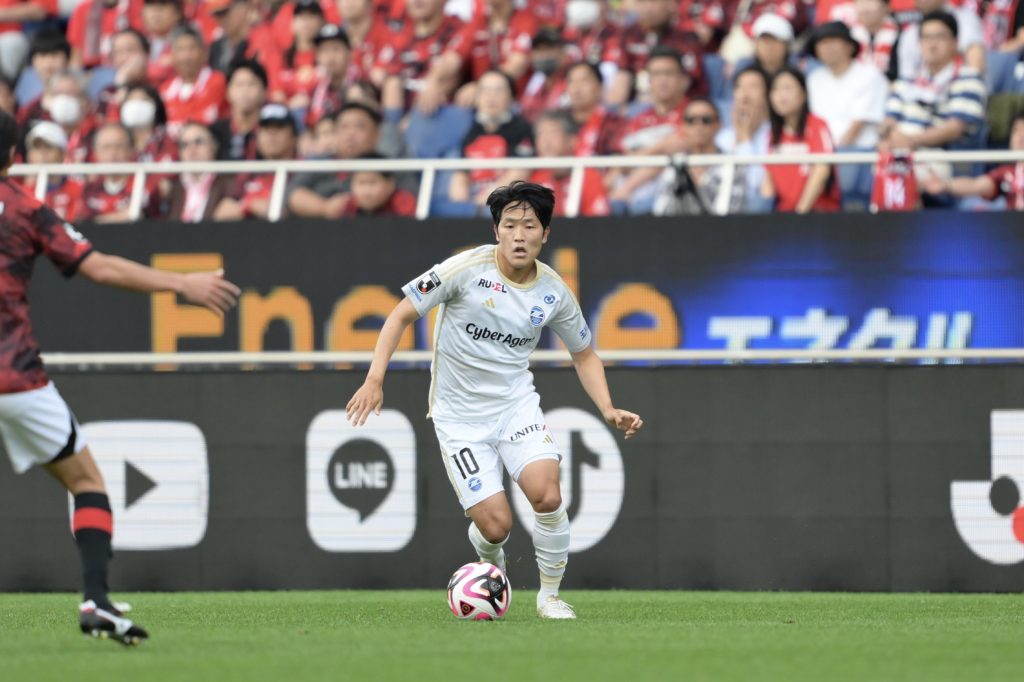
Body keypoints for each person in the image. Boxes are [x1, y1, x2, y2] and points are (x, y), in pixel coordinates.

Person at [345, 181, 643, 620]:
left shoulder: (553, 291)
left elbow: (583, 353)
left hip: (515, 407)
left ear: (546, 234)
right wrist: (375, 379)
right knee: (496, 525)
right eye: (510, 225)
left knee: (547, 495)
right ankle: (491, 565)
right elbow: (401, 313)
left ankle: (549, 597)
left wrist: (607, 408)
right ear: (496, 231)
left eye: (530, 226)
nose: (519, 235)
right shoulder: (464, 269)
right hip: (458, 418)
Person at [0, 109, 240, 646]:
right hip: (15, 379)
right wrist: (182, 284)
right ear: (14, 156)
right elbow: (100, 267)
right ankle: (96, 601)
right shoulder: (25, 208)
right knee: (87, 482)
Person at [881, 11, 987, 157]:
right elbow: (889, 120)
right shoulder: (907, 80)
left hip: (938, 157)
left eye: (940, 37)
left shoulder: (969, 79)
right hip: (896, 152)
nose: (932, 44)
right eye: (926, 38)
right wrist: (892, 138)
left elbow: (955, 129)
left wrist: (911, 141)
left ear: (955, 43)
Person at [447, 70, 534, 214]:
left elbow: (519, 173)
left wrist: (485, 199)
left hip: (507, 202)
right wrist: (461, 202)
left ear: (511, 97)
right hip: (475, 200)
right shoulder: (470, 130)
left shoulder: (521, 128)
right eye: (485, 91)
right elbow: (461, 174)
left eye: (498, 90)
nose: (491, 97)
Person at [762, 65, 842, 213]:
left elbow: (821, 170)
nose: (781, 95)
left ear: (803, 95)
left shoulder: (817, 125)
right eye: (775, 89)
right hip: (784, 214)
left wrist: (800, 213)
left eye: (788, 88)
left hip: (818, 213)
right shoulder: (772, 134)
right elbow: (768, 181)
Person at [654, 98, 747, 216]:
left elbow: (730, 214)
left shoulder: (732, 165)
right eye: (691, 120)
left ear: (719, 125)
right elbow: (662, 211)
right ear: (683, 126)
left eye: (706, 120)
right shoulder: (674, 165)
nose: (699, 126)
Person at [920, 111, 1024, 208]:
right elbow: (977, 185)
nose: (1021, 136)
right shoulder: (1006, 173)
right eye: (1016, 130)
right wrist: (946, 185)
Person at [214, 103, 298, 221]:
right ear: (257, 138)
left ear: (294, 137)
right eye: (265, 129)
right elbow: (222, 213)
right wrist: (250, 206)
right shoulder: (249, 173)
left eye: (279, 127)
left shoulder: (303, 171)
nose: (271, 135)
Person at [528, 110, 611, 217]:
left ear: (572, 140)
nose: (545, 140)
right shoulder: (536, 180)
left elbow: (599, 222)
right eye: (540, 133)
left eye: (553, 133)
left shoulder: (589, 177)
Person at [716, 64, 772, 212]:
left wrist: (745, 138)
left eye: (753, 87)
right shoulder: (722, 137)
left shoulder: (775, 136)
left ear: (768, 95)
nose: (745, 95)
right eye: (740, 87)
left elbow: (753, 187)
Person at [166, 121, 233, 222]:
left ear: (214, 145)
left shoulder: (229, 183)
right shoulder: (173, 188)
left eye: (198, 142)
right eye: (184, 145)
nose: (192, 149)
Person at [21, 121, 83, 221]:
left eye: (48, 147)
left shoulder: (78, 190)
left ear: (62, 154)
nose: (42, 153)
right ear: (29, 155)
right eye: (37, 147)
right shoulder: (24, 193)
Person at [211, 59, 268, 161]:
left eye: (251, 84)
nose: (245, 91)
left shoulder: (273, 129)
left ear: (264, 91)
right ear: (227, 92)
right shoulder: (215, 133)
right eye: (239, 84)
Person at [340, 152, 418, 217]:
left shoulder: (403, 204)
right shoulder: (347, 207)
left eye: (372, 182)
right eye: (361, 183)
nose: (366, 191)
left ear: (390, 184)